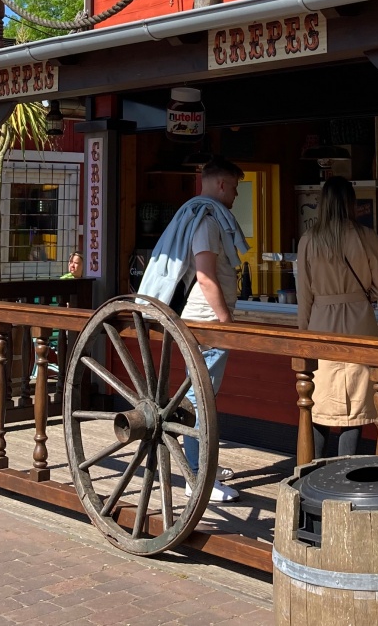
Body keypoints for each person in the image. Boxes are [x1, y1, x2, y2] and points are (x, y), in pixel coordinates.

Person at [136, 157, 247, 502]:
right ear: (222, 185)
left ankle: (197, 470)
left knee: (199, 398)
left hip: (203, 318)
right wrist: (226, 321)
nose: (236, 195)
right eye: (235, 187)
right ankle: (198, 478)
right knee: (202, 401)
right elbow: (205, 275)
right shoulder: (208, 223)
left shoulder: (204, 217)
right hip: (207, 321)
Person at [294, 177, 378, 460]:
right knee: (358, 405)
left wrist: (303, 337)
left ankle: (311, 474)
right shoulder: (366, 236)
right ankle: (345, 474)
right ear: (352, 202)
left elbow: (304, 296)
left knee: (318, 402)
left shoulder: (309, 240)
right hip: (360, 321)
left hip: (321, 324)